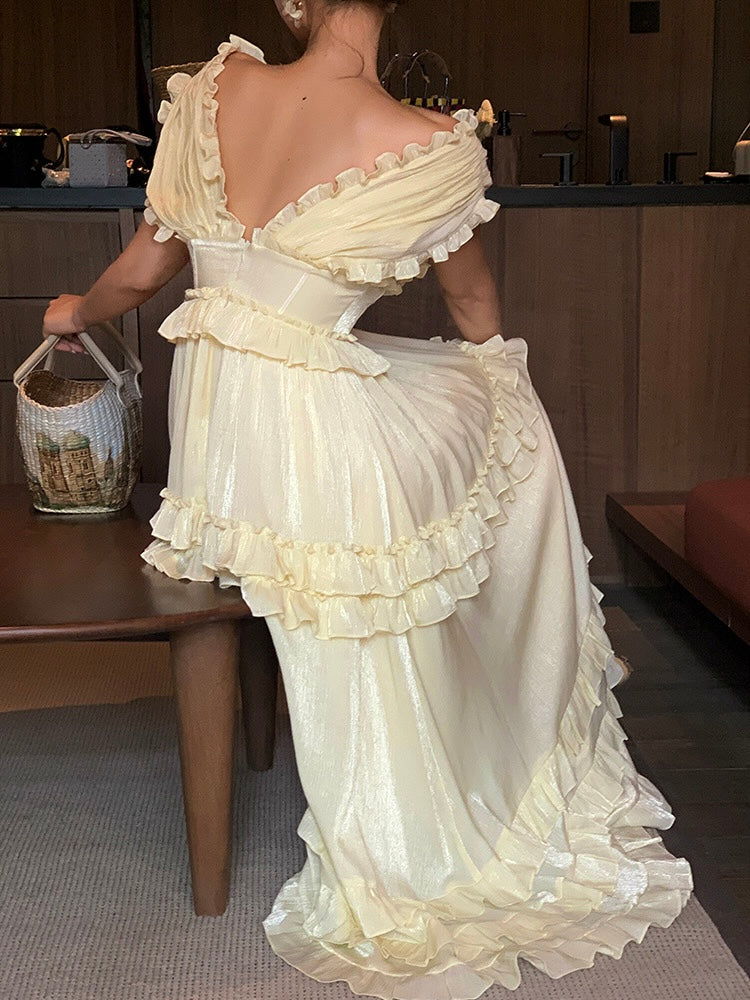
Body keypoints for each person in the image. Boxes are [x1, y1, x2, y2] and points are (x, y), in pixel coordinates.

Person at [43, 1, 694, 996]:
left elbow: (142, 272)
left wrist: (72, 311)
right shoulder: (427, 145)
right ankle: (505, 693)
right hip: (317, 461)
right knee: (504, 403)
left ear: (291, 2)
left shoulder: (213, 93)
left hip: (221, 464)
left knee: (454, 410)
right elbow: (474, 308)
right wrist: (500, 382)